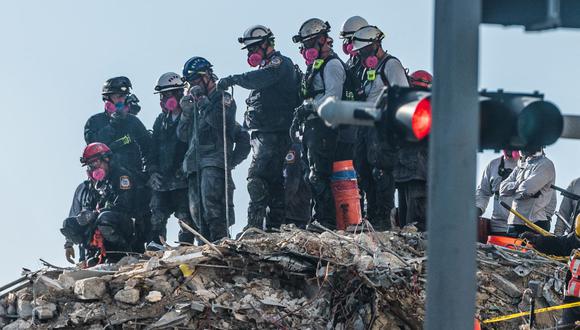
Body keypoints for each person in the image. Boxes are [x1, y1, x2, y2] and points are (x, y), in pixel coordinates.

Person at [217, 25, 300, 230]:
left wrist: (234, 79)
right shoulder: (266, 70)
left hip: (274, 133)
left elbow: (261, 79)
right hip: (266, 134)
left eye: (254, 48)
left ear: (266, 44)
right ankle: (274, 226)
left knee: (257, 177)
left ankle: (254, 227)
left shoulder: (278, 64)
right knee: (273, 182)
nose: (252, 54)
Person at [291, 18, 352, 229]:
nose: (306, 50)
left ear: (323, 41)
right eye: (304, 45)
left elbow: (332, 98)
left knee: (319, 174)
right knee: (311, 175)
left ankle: (326, 221)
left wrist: (308, 108)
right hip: (313, 128)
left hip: (326, 128)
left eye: (309, 44)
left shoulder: (333, 65)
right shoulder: (314, 67)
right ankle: (320, 218)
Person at [177, 57, 242, 242]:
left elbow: (220, 122)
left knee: (212, 206)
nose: (194, 86)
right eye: (191, 83)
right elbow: (182, 136)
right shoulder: (194, 104)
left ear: (207, 76)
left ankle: (220, 241)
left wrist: (203, 102)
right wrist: (186, 114)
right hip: (193, 163)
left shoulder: (223, 97)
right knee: (196, 210)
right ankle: (205, 245)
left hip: (214, 160)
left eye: (196, 81)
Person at [84, 76, 152, 251]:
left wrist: (150, 172)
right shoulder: (95, 122)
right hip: (106, 184)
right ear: (107, 99)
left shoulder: (133, 122)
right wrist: (115, 122)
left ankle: (141, 251)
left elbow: (148, 148)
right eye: (117, 97)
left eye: (124, 97)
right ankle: (100, 253)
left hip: (135, 181)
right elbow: (93, 147)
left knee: (143, 220)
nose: (121, 100)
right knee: (99, 218)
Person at [352, 25, 409, 230]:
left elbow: (403, 95)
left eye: (363, 51)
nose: (359, 55)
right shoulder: (367, 70)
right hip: (364, 125)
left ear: (375, 46)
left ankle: (383, 219)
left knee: (381, 171)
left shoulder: (391, 65)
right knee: (363, 170)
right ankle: (371, 216)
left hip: (382, 126)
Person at [60, 143, 136, 265]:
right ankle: (93, 256)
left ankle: (121, 253)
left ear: (106, 159)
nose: (92, 168)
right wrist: (68, 243)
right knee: (69, 224)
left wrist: (95, 214)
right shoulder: (85, 188)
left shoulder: (120, 176)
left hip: (121, 226)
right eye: (89, 165)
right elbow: (74, 213)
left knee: (104, 218)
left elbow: (125, 205)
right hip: (96, 235)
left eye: (95, 163)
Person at [148, 72, 196, 246]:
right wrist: (152, 171)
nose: (164, 99)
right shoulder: (161, 121)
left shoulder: (191, 117)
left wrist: (186, 170)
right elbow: (152, 151)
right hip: (162, 181)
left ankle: (187, 248)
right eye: (162, 95)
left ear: (179, 94)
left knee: (186, 217)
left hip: (183, 180)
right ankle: (156, 247)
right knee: (157, 215)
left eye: (168, 94)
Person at [521, 221, 580, 327]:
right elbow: (560, 243)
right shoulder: (575, 239)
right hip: (573, 301)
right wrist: (537, 240)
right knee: (565, 326)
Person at [499, 148, 556, 236]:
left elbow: (526, 191)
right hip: (513, 224)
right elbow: (502, 189)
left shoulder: (546, 165)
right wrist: (519, 184)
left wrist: (512, 191)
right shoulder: (521, 165)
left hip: (534, 225)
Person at [476, 150, 519, 234]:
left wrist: (547, 216)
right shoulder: (493, 165)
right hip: (498, 228)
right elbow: (483, 192)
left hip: (525, 229)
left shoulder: (534, 166)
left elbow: (547, 194)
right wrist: (478, 208)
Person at [283, 143, 312, 227]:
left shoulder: (293, 149)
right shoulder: (302, 147)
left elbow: (291, 180)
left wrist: (281, 206)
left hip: (292, 213)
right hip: (302, 211)